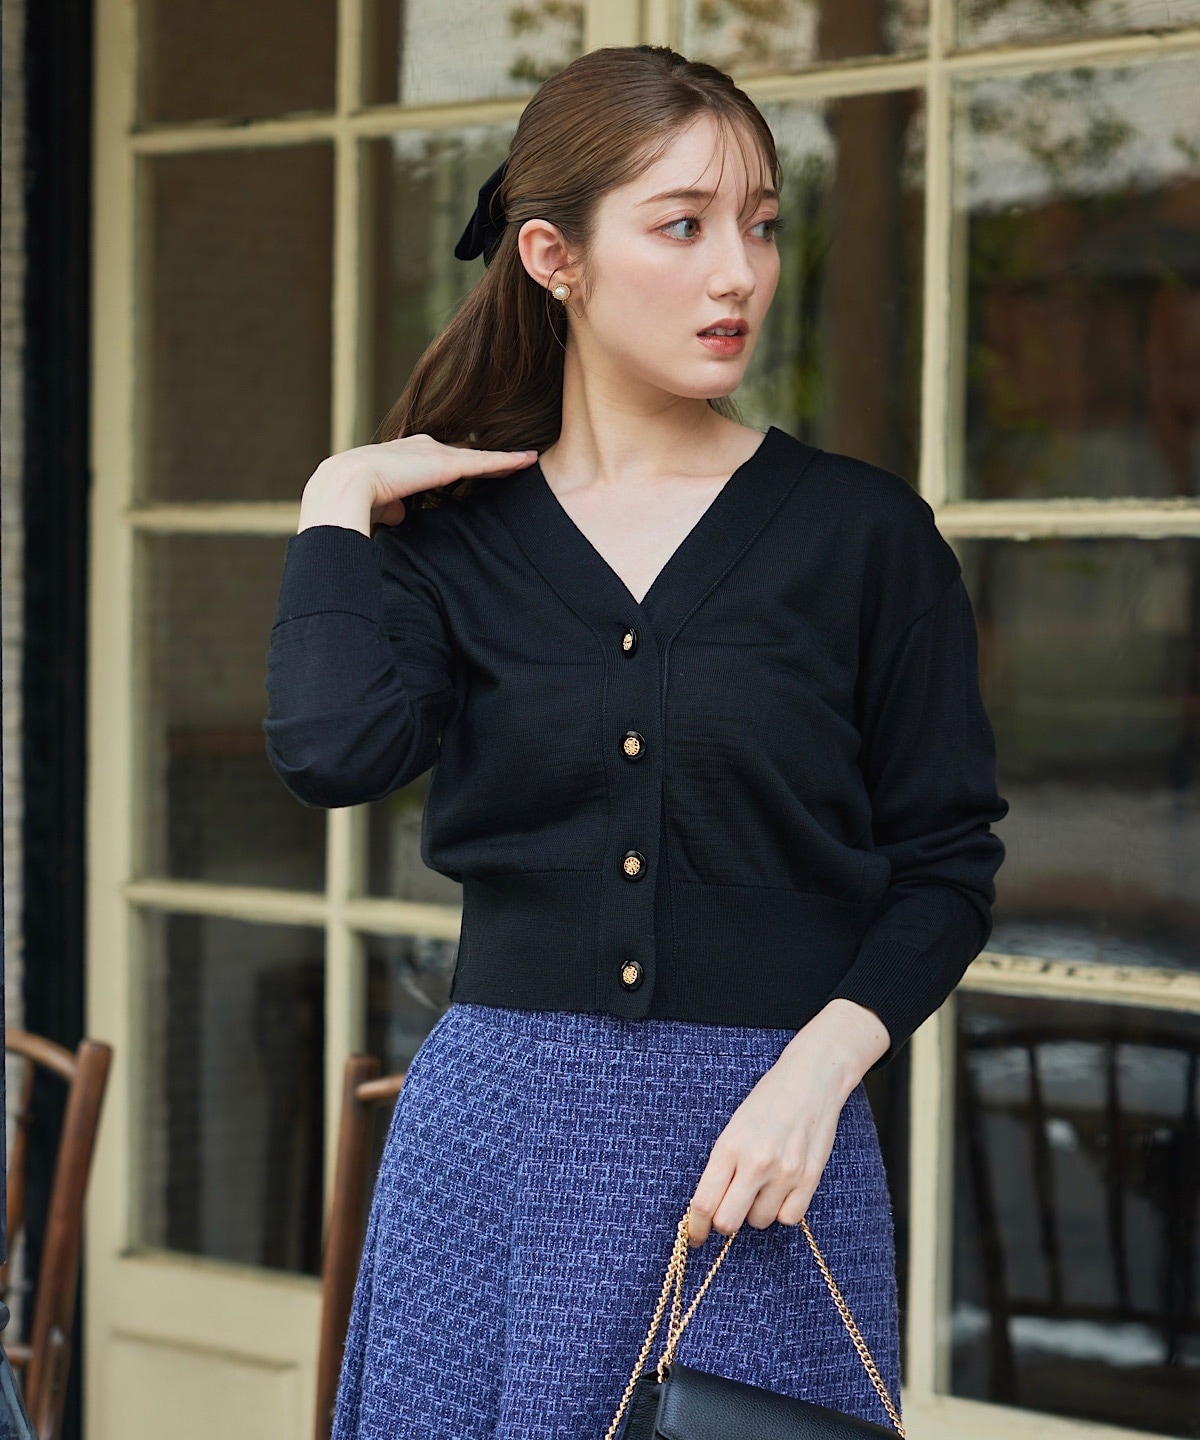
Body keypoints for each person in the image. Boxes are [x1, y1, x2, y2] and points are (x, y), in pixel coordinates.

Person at [264, 43, 1008, 1440]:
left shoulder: (863, 537)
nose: (740, 273)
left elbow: (948, 864)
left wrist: (817, 1073)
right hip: (492, 1155)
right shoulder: (455, 544)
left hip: (763, 1164)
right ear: (555, 257)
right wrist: (336, 500)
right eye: (684, 226)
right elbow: (331, 754)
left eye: (761, 225)